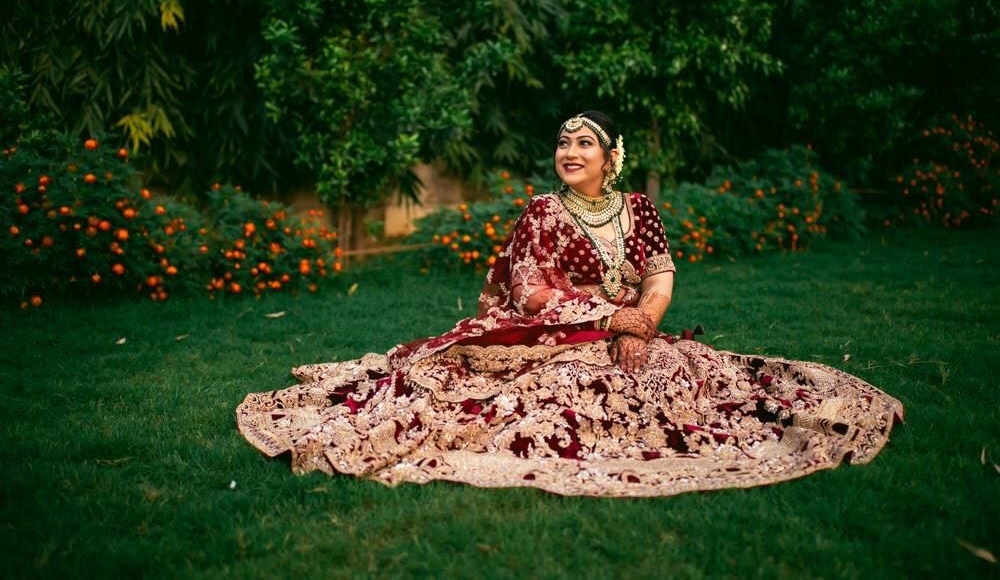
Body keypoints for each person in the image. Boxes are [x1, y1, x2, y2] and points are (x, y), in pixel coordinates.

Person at [236, 111, 904, 498]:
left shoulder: (638, 208)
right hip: (549, 336)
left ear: (612, 156)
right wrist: (611, 319)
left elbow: (661, 275)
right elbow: (529, 290)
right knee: (545, 398)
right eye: (563, 141)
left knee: (691, 383)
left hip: (631, 328)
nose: (569, 151)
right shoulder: (542, 212)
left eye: (584, 141)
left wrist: (643, 323)